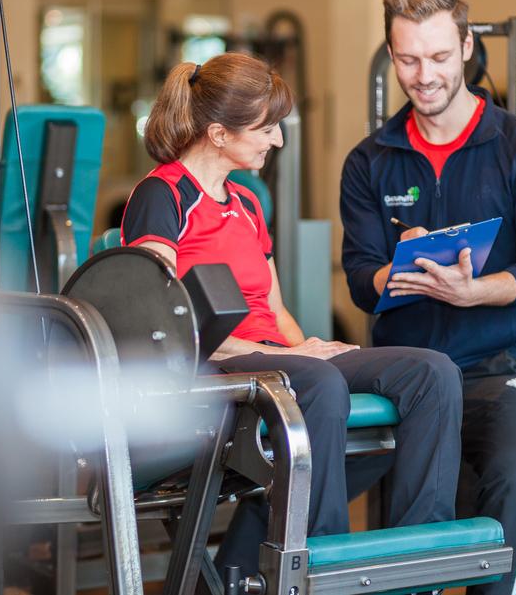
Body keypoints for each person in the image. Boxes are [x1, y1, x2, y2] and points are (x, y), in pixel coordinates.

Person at [121, 51, 463, 576]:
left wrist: (308, 348)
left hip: (273, 361)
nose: (277, 140)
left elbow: (276, 310)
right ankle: (321, 568)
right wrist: (299, 361)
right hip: (211, 367)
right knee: (321, 384)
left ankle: (419, 562)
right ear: (219, 133)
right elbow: (163, 323)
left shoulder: (247, 204)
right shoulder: (161, 195)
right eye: (267, 128)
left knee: (431, 373)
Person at [340, 0, 516, 595]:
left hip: (498, 370)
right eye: (409, 60)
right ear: (392, 53)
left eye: (440, 57)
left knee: (511, 482)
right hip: (407, 379)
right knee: (395, 513)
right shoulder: (369, 161)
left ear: (467, 47)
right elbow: (361, 277)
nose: (425, 76)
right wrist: (400, 267)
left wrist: (479, 290)